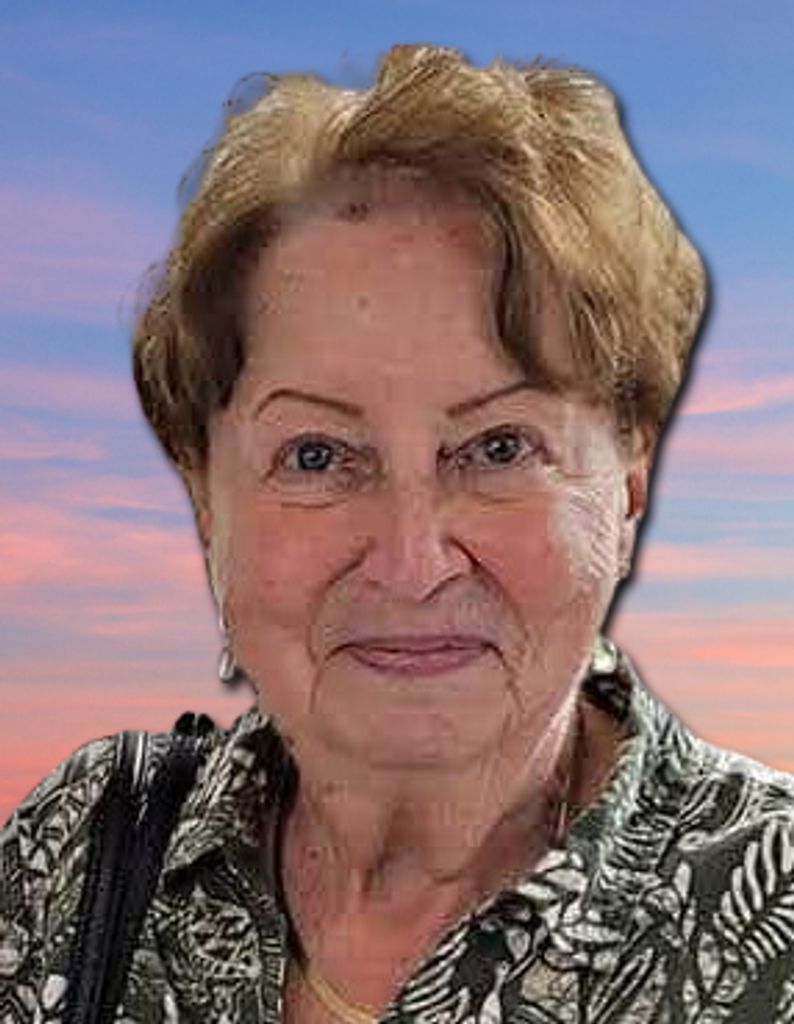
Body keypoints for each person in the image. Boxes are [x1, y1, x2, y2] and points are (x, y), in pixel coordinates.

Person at [2, 42, 794, 1023]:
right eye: (316, 456)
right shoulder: (80, 858)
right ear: (205, 498)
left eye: (498, 447)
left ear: (629, 481)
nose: (411, 562)